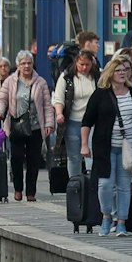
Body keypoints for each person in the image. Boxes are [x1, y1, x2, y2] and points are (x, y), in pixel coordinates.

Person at [81, 54, 132, 236]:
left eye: (125, 70)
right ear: (110, 73)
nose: (122, 73)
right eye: (118, 70)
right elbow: (87, 121)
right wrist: (84, 145)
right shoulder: (100, 94)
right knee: (105, 184)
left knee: (124, 186)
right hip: (104, 147)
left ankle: (121, 222)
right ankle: (106, 216)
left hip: (128, 148)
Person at [0, 50, 55, 202]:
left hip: (35, 127)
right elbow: (1, 99)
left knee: (34, 160)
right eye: (23, 63)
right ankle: (18, 189)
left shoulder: (41, 82)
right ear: (18, 65)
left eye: (29, 63)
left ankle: (31, 192)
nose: (26, 66)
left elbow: (47, 105)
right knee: (17, 158)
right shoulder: (10, 81)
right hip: (16, 125)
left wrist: (49, 123)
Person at [53, 48, 99, 185]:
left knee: (91, 152)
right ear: (76, 63)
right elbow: (59, 98)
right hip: (73, 121)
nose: (84, 68)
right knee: (74, 156)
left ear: (92, 63)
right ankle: (75, 184)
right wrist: (59, 113)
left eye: (87, 65)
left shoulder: (97, 76)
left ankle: (92, 183)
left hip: (92, 121)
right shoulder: (66, 77)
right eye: (81, 64)